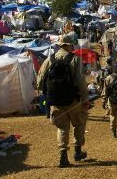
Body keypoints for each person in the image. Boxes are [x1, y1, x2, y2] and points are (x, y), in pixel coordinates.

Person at [37, 34, 90, 168]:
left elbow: (40, 78)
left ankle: (63, 156)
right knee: (79, 124)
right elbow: (81, 80)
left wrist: (46, 93)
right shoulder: (75, 59)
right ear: (69, 45)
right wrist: (85, 98)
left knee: (62, 128)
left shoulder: (50, 59)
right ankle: (77, 152)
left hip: (56, 100)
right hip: (74, 100)